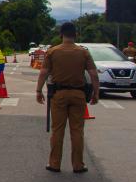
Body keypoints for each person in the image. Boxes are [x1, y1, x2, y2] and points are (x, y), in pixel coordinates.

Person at [36, 22, 99, 173]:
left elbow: (44, 72)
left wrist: (38, 90)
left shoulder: (52, 52)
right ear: (75, 34)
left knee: (57, 130)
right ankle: (78, 165)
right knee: (77, 130)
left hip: (59, 95)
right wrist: (96, 92)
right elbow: (93, 73)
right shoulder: (83, 52)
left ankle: (54, 164)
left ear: (61, 34)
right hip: (78, 95)